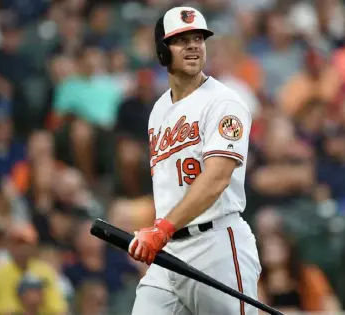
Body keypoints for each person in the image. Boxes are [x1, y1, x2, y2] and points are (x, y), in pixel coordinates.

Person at [128, 6, 261, 315]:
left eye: (199, 38)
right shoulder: (159, 110)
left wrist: (161, 229)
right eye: (181, 39)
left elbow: (217, 177)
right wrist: (161, 232)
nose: (193, 45)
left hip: (216, 245)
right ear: (162, 51)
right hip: (169, 249)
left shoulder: (224, 102)